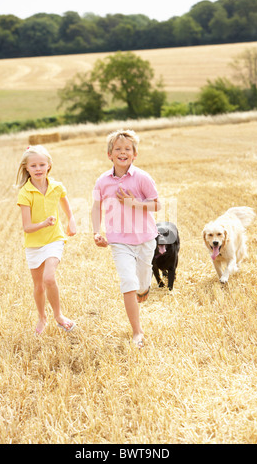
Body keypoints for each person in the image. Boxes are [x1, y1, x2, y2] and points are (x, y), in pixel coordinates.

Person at [92, 129, 161, 348]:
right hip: (119, 241)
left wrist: (135, 204)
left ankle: (144, 288)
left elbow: (158, 205)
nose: (123, 152)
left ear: (134, 154)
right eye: (118, 149)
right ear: (109, 154)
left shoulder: (142, 178)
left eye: (127, 149)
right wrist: (96, 231)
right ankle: (137, 332)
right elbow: (96, 207)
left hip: (145, 239)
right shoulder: (102, 181)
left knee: (141, 280)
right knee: (128, 282)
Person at [16, 145, 76, 335]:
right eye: (33, 165)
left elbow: (67, 208)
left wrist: (71, 222)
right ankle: (42, 317)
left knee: (49, 278)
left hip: (54, 239)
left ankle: (58, 316)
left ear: (49, 165)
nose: (38, 168)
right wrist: (44, 223)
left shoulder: (57, 187)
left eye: (42, 164)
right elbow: (27, 227)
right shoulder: (25, 193)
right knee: (39, 285)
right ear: (26, 168)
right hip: (34, 243)